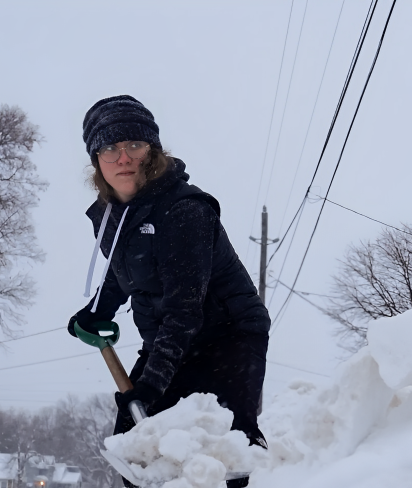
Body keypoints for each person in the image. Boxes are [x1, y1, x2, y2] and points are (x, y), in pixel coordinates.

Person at [68, 95, 272, 467]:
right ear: (96, 160)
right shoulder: (110, 213)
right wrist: (97, 310)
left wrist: (151, 384)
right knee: (135, 445)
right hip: (170, 337)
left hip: (228, 334)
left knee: (229, 443)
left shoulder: (185, 211)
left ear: (153, 150)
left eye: (134, 144)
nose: (124, 157)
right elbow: (122, 267)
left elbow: (185, 309)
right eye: (110, 148)